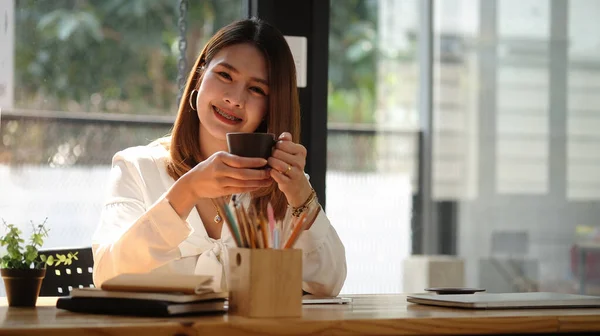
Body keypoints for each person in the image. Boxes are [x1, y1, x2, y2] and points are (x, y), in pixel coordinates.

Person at [91, 18, 347, 296]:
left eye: (256, 89)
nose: (235, 99)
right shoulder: (137, 168)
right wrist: (187, 191)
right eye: (225, 75)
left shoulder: (283, 185)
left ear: (270, 108)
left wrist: (301, 194)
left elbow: (327, 283)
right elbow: (107, 275)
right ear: (200, 76)